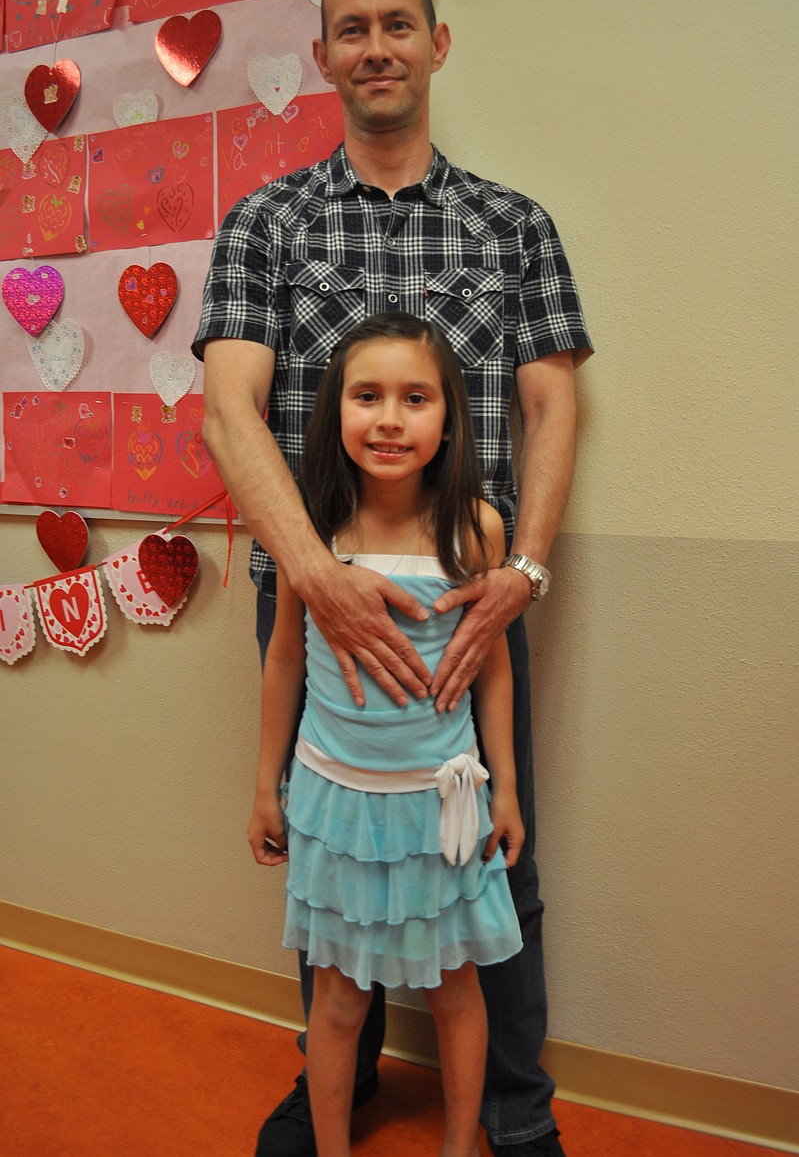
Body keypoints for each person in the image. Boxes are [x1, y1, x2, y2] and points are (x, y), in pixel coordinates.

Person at [193, 0, 592, 1157]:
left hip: (463, 600)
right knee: (331, 854)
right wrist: (313, 576)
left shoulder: (515, 228)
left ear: (437, 43)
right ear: (322, 55)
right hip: (310, 597)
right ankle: (340, 1086)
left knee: (488, 857)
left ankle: (513, 1117)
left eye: (398, 26)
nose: (376, 46)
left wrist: (518, 573)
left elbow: (553, 407)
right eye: (350, 29)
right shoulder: (267, 224)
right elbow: (228, 408)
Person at [251, 312, 525, 1157]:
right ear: (336, 409)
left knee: (453, 992)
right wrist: (266, 784)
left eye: (415, 398)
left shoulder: (476, 527)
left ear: (449, 417)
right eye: (367, 396)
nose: (390, 418)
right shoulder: (314, 528)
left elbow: (494, 668)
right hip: (335, 802)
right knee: (336, 1002)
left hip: (437, 807)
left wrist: (507, 787)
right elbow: (286, 663)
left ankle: (457, 1144)